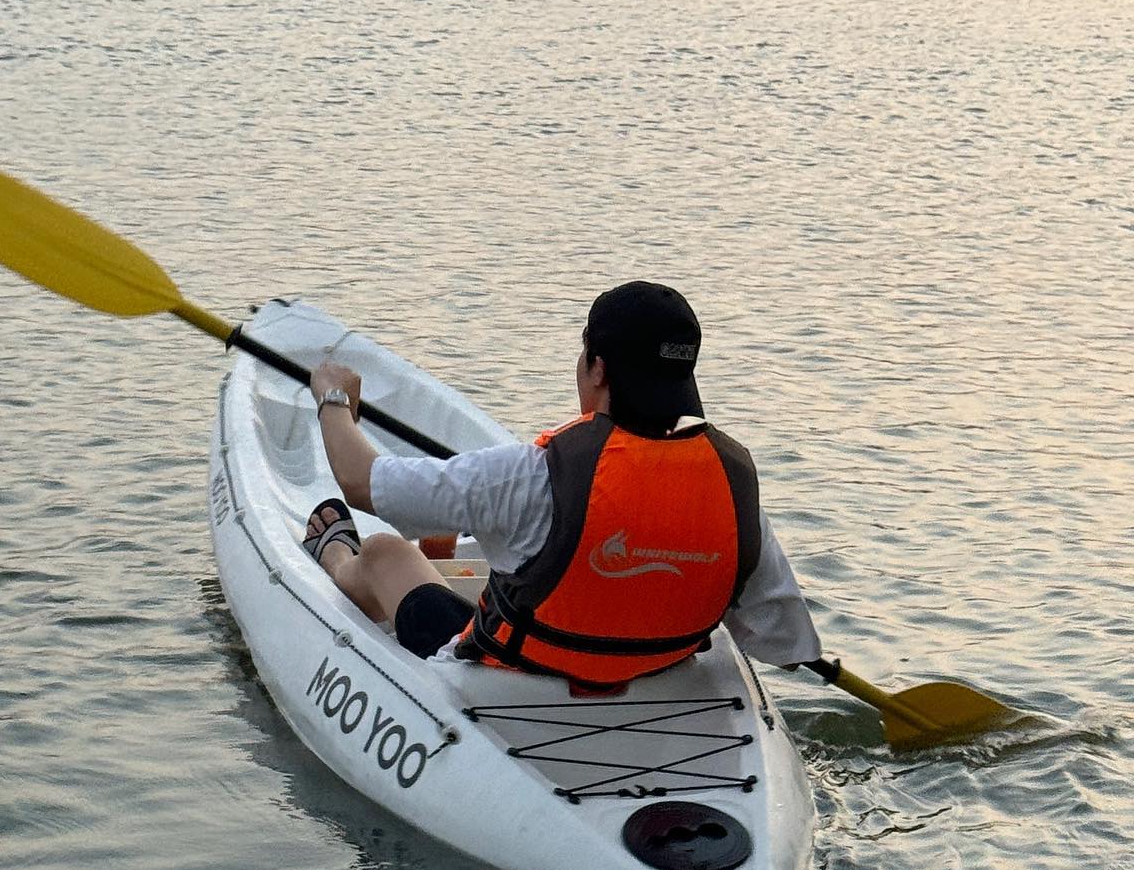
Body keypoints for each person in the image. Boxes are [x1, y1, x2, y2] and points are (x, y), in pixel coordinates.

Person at [303, 281, 820, 687]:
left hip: (511, 686)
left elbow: (361, 482)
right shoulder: (732, 487)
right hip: (654, 686)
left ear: (596, 368)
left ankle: (334, 555)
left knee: (386, 553)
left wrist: (334, 402)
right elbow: (783, 644)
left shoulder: (534, 474)